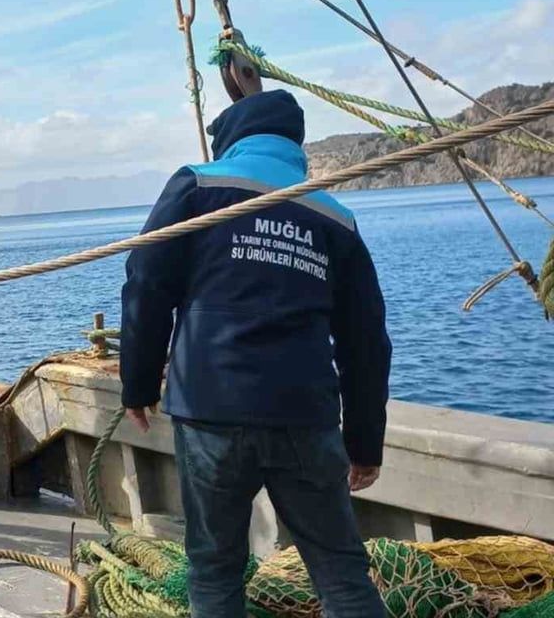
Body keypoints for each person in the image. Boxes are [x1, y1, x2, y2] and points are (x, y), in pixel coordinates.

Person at [118, 56, 392, 617]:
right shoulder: (335, 216)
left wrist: (138, 384)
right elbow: (367, 342)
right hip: (305, 418)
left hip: (210, 410)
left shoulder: (198, 185)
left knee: (215, 571)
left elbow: (146, 281)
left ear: (231, 136)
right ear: (296, 143)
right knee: (341, 573)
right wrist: (364, 442)